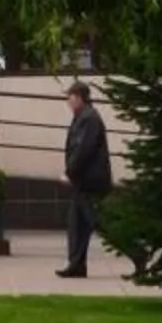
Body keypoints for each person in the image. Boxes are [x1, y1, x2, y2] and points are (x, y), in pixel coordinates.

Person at [58, 79, 113, 279]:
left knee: (100, 222)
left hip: (90, 182)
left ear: (79, 97)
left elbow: (83, 149)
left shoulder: (88, 118)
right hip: (84, 182)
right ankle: (76, 265)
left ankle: (137, 252)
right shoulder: (83, 116)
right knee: (77, 224)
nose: (68, 101)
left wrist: (70, 172)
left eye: (70, 97)